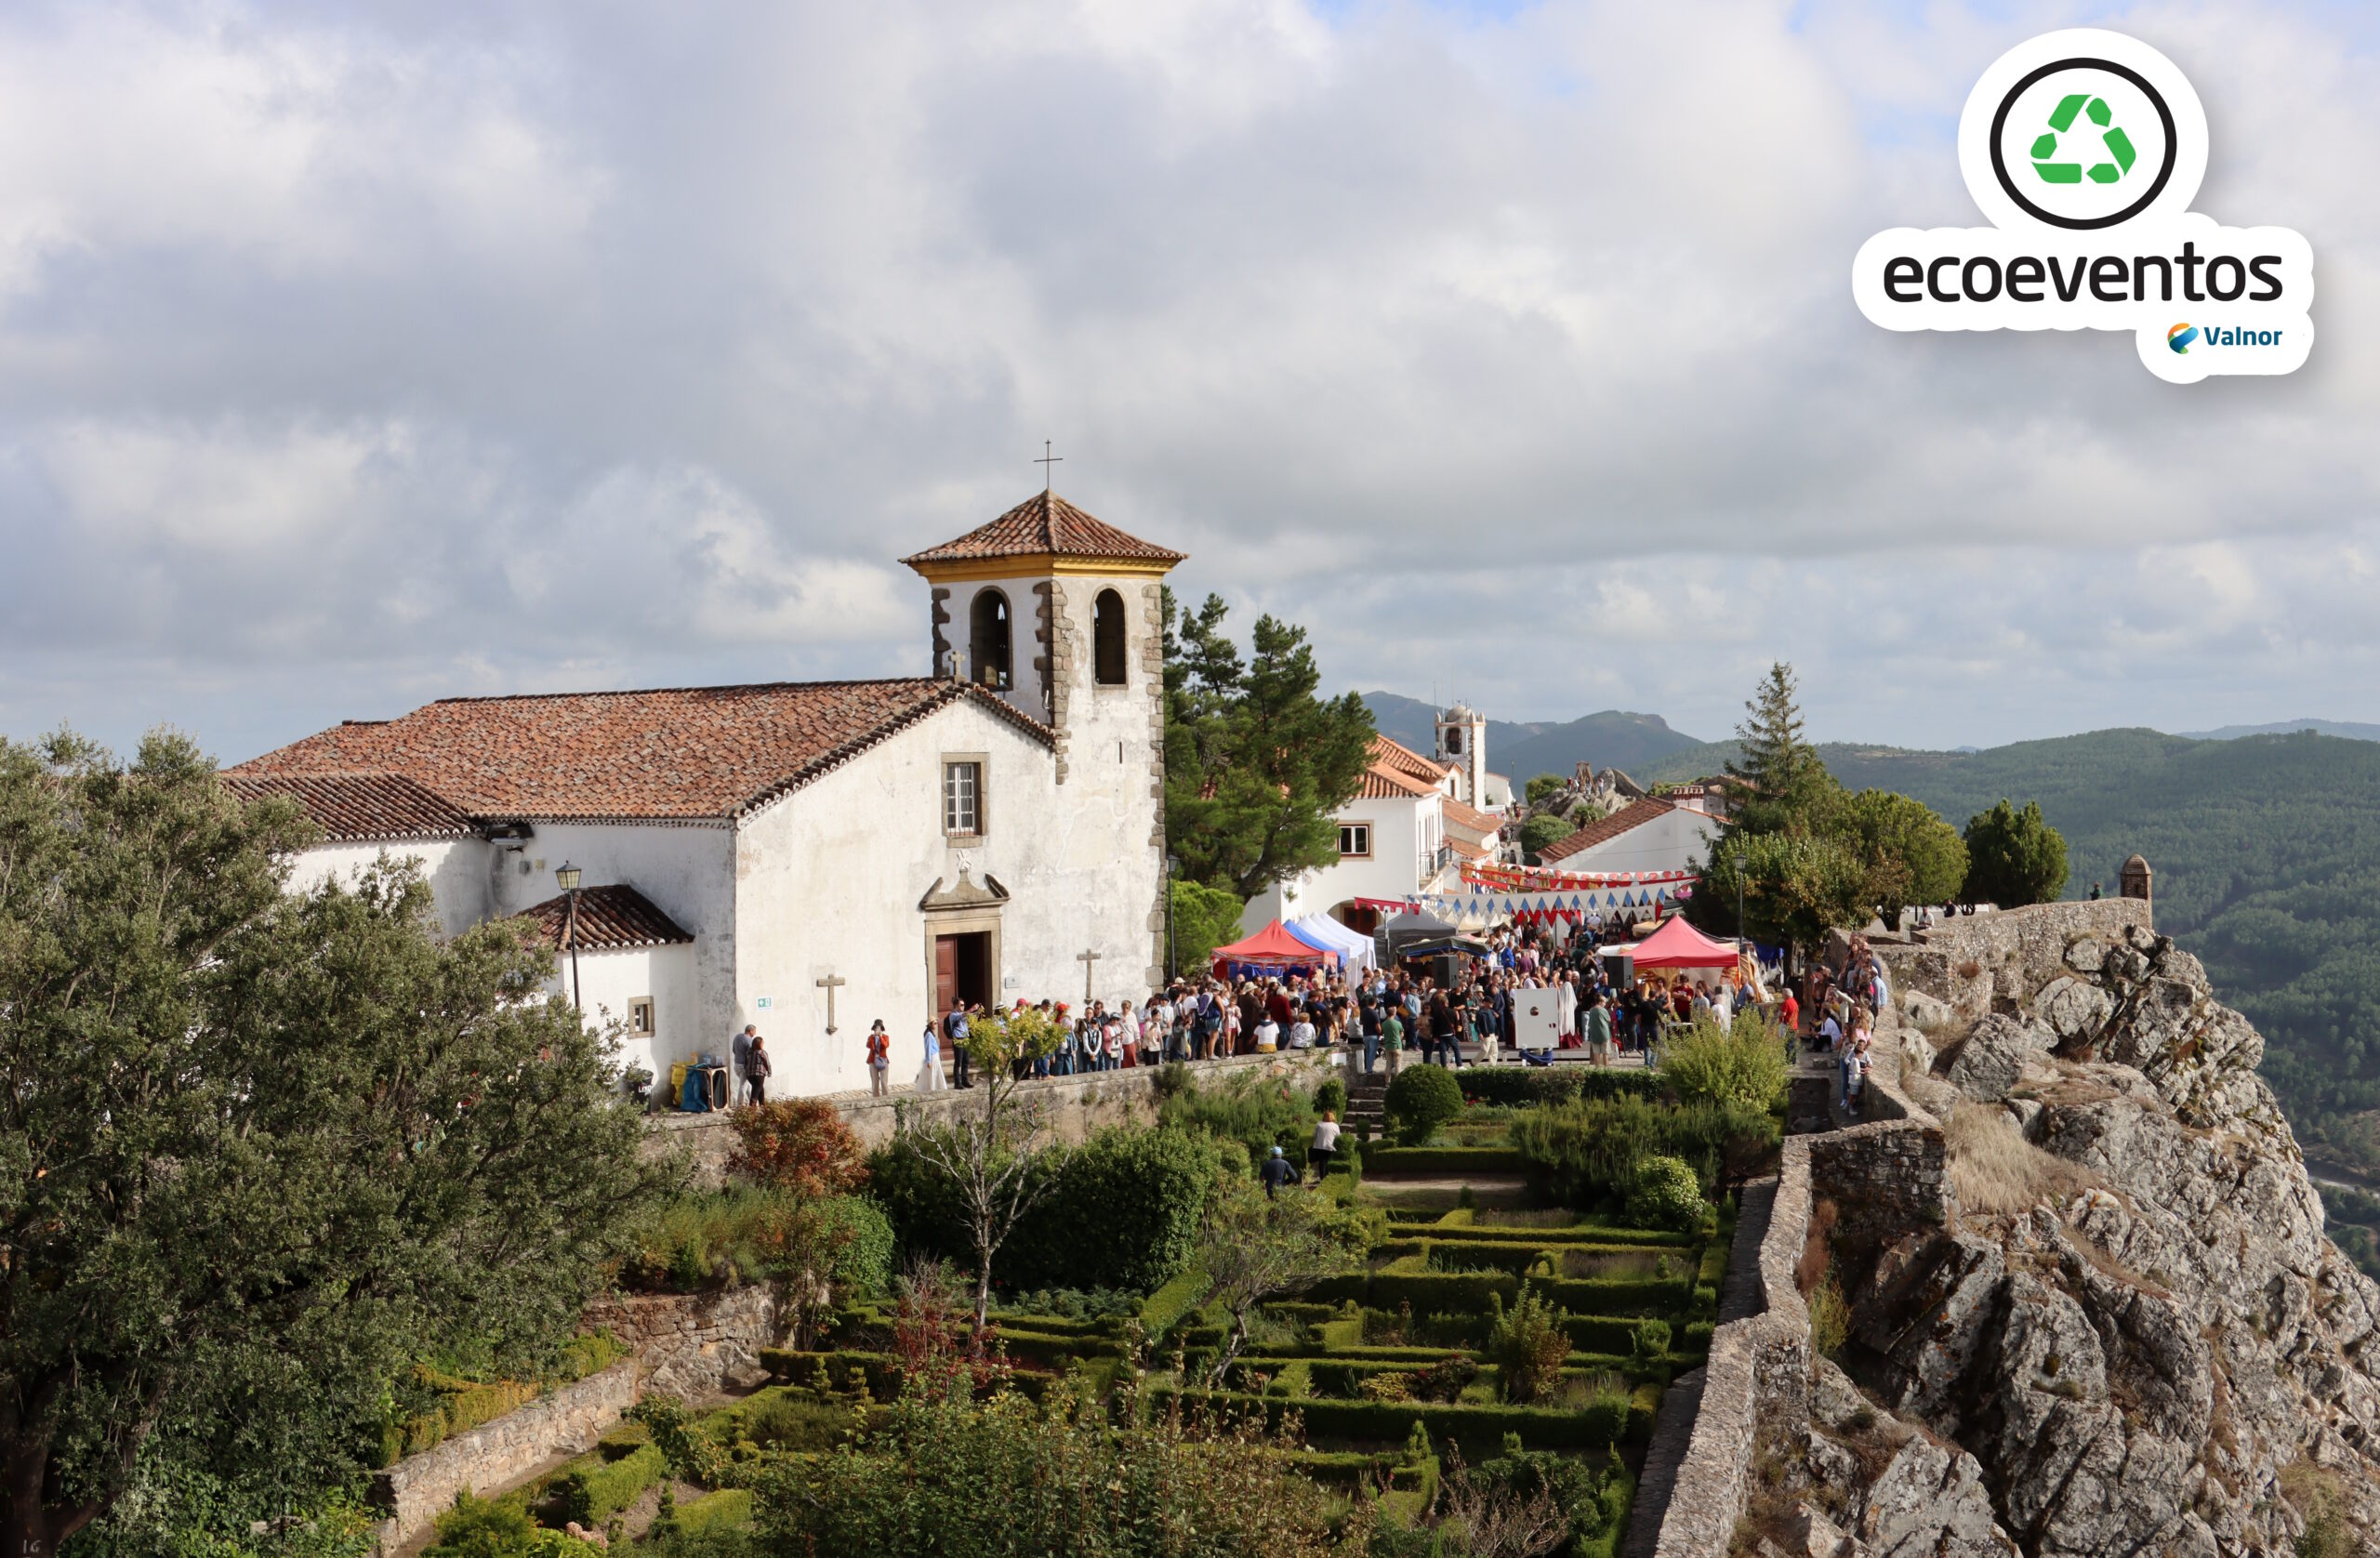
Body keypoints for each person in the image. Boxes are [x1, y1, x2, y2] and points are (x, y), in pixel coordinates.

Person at [730, 1023, 757, 1108]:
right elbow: (751, 1055)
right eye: (754, 1031)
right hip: (744, 1066)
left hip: (736, 1064)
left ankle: (754, 1104)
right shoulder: (750, 1040)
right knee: (743, 1086)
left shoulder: (737, 1037)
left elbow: (734, 1050)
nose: (755, 1033)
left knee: (747, 1085)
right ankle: (739, 1106)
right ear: (750, 1031)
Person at [1309, 1110, 1341, 1182]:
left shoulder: (1319, 1124)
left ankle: (1322, 1177)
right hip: (1330, 1147)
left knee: (1321, 1162)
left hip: (1319, 1146)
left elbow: (1314, 1135)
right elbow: (1338, 1137)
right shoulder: (1335, 1126)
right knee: (1327, 1162)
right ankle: (1326, 1177)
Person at [865, 1019, 891, 1098]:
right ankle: (876, 1098)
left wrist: (881, 1037)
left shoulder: (885, 1037)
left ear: (881, 1029)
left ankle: (886, 1098)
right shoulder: (871, 1037)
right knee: (875, 1082)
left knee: (883, 1081)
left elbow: (885, 1045)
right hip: (873, 1061)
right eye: (876, 1028)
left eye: (879, 1028)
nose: (877, 1029)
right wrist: (874, 1037)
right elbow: (868, 1045)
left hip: (883, 1060)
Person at [744, 1032, 772, 1105]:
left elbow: (745, 1063)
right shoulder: (762, 1052)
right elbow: (767, 1063)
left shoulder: (748, 1053)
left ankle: (762, 1105)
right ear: (760, 1044)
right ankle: (752, 1108)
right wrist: (769, 1072)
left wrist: (747, 1071)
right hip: (759, 1074)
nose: (763, 1044)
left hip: (749, 1075)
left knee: (759, 1088)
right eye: (763, 1042)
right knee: (756, 1091)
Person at [1381, 1006, 1406, 1080]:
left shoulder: (1383, 1024)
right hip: (1397, 1045)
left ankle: (1387, 1082)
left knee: (1388, 1064)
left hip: (1388, 1046)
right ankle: (1397, 1081)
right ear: (1394, 1013)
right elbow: (1402, 1034)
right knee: (1398, 1064)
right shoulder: (1398, 1023)